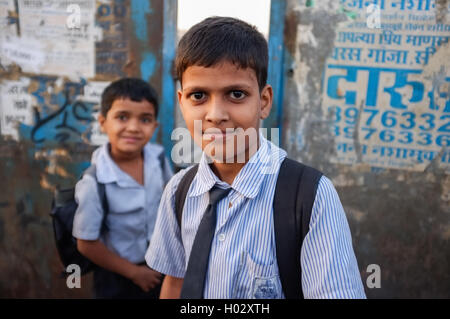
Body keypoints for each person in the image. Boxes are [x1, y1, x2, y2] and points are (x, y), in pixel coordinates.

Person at [146, 17, 366, 299]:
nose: (215, 114)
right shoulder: (178, 191)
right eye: (198, 95)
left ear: (263, 101)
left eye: (236, 94)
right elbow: (176, 283)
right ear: (181, 102)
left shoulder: (309, 196)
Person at [73, 78, 173, 298]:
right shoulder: (93, 181)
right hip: (117, 277)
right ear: (103, 122)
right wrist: (135, 273)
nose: (134, 128)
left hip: (160, 268)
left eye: (145, 119)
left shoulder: (157, 158)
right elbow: (86, 244)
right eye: (122, 117)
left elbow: (171, 202)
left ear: (155, 126)